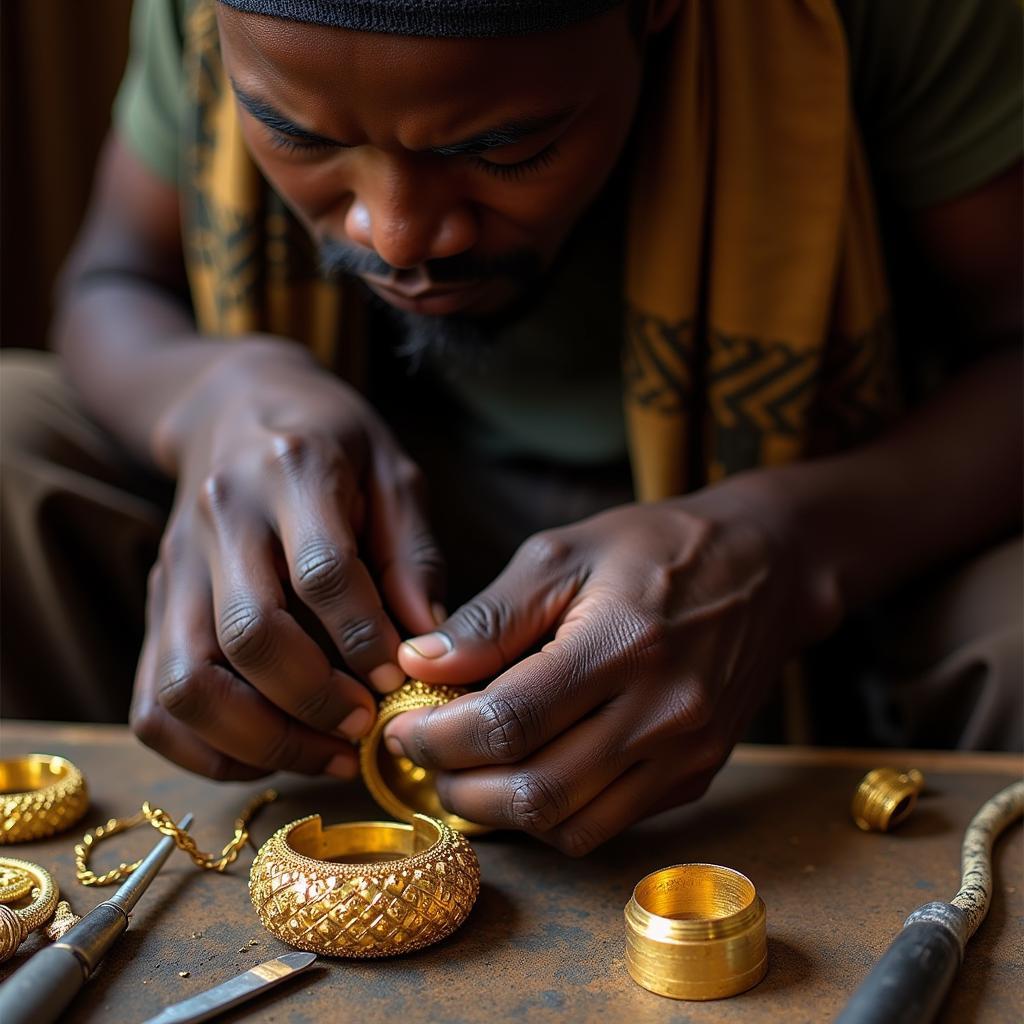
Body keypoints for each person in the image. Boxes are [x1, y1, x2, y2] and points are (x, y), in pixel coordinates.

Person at [1, 0, 1020, 855]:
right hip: (392, 537)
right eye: (301, 135)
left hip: (826, 493)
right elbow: (111, 282)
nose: (396, 235)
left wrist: (791, 549)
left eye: (504, 148)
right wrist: (215, 401)